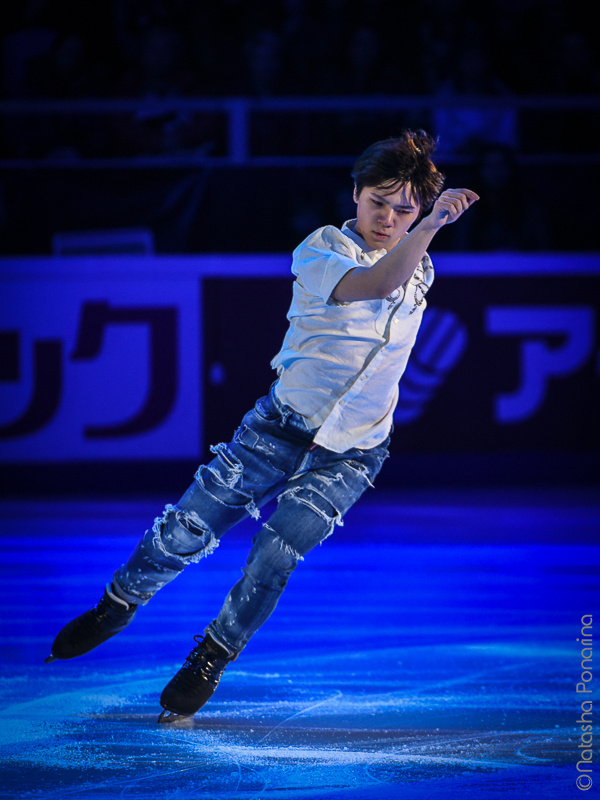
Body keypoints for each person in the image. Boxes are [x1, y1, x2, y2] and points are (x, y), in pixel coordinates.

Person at [45, 129, 479, 723]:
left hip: (353, 454)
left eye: (404, 210)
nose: (388, 218)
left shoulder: (420, 267)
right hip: (276, 430)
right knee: (185, 531)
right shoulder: (320, 249)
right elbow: (378, 285)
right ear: (354, 194)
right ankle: (118, 604)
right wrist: (429, 224)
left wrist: (423, 228)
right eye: (378, 201)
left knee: (276, 555)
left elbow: (399, 280)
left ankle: (210, 659)